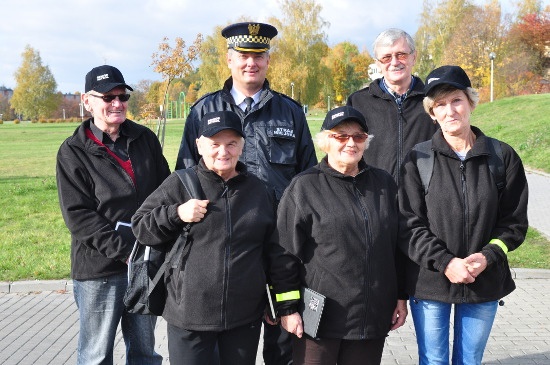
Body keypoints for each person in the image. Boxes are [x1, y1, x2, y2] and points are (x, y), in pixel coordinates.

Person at [175, 22, 318, 364]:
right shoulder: (203, 111)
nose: (250, 63)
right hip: (227, 245)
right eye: (243, 56)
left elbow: (309, 175)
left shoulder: (290, 112)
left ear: (268, 61)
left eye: (258, 56)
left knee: (284, 340)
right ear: (228, 60)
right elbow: (185, 176)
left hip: (282, 241)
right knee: (232, 339)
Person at [398, 65, 529, 365]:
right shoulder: (417, 159)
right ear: (431, 114)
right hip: (430, 282)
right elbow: (408, 224)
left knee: (470, 360)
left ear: (471, 102)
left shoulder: (502, 157)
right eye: (439, 105)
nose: (449, 111)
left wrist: (488, 257)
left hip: (484, 281)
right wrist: (446, 262)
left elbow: (515, 224)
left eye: (456, 100)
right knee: (433, 361)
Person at [132, 111, 276, 365]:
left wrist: (275, 301)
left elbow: (273, 250)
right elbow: (141, 226)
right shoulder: (180, 183)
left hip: (243, 318)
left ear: (242, 146)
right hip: (190, 317)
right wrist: (176, 214)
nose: (223, 151)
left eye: (231, 143)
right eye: (214, 144)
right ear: (199, 145)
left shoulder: (258, 189)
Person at [269, 106, 408, 365]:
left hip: (370, 317)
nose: (350, 143)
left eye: (358, 136)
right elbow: (283, 253)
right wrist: (287, 309)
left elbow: (396, 247)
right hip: (319, 320)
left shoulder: (384, 184)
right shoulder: (304, 187)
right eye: (341, 136)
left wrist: (400, 296)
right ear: (325, 142)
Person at [56, 65, 168, 364]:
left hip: (145, 264)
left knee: (145, 353)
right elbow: (78, 215)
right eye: (108, 97)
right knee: (96, 355)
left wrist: (157, 241)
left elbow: (164, 189)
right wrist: (125, 251)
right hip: (99, 270)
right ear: (87, 100)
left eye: (122, 96)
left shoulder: (144, 139)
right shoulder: (73, 151)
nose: (117, 103)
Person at [347, 28, 438, 183]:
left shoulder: (434, 100)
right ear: (378, 63)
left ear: (413, 57)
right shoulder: (358, 102)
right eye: (386, 57)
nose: (394, 62)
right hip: (374, 197)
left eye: (401, 54)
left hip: (423, 199)